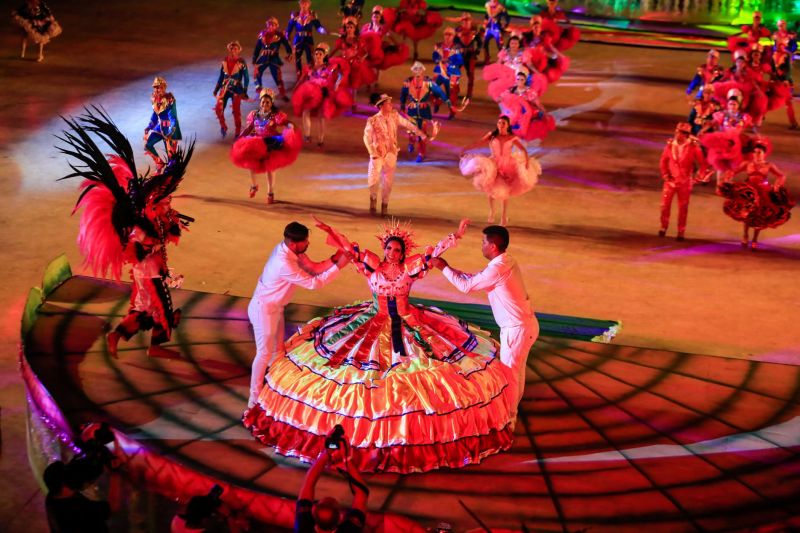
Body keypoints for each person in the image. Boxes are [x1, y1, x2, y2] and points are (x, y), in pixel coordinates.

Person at [243, 218, 517, 473]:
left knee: (417, 369)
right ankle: (259, 395)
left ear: (402, 252)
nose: (393, 254)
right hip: (372, 321)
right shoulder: (373, 263)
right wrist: (331, 234)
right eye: (390, 249)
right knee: (348, 365)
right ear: (384, 249)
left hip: (408, 321)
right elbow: (349, 247)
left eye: (398, 250)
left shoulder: (410, 267)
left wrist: (454, 236)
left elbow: (433, 255)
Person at [58, 108, 195, 360]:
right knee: (162, 306)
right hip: (148, 270)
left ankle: (117, 336)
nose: (170, 201)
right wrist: (154, 248)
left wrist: (168, 227)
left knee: (145, 308)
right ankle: (154, 347)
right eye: (167, 197)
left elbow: (166, 234)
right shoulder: (146, 220)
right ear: (156, 199)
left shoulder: (158, 214)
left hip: (149, 269)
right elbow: (136, 247)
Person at [430, 224, 538, 414]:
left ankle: (509, 416)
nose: (481, 246)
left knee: (510, 375)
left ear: (493, 246)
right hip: (525, 326)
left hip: (516, 329)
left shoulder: (497, 269)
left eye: (484, 242)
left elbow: (466, 286)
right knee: (517, 372)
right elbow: (473, 279)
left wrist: (443, 267)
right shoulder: (505, 261)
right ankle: (513, 411)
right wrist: (448, 268)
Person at [247, 221, 349, 407]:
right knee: (263, 354)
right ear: (294, 243)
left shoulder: (290, 251)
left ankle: (273, 388)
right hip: (264, 310)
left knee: (277, 352)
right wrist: (339, 267)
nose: (308, 244)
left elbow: (314, 268)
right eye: (306, 242)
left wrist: (334, 259)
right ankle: (253, 399)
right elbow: (313, 283)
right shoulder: (284, 263)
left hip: (275, 309)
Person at [459, 115, 541, 226]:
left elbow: (523, 150)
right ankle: (492, 211)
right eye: (499, 123)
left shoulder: (512, 137)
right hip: (493, 164)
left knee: (505, 191)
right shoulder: (492, 136)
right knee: (490, 188)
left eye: (503, 123)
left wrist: (526, 163)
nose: (500, 125)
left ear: (507, 125)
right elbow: (478, 143)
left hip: (508, 165)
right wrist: (465, 148)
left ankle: (503, 216)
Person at [718, 137, 795, 250]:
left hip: (763, 191)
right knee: (747, 214)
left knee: (760, 216)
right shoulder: (747, 164)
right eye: (755, 152)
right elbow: (734, 171)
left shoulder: (769, 165)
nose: (756, 155)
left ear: (764, 153)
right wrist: (727, 178)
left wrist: (777, 185)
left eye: (759, 153)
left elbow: (781, 175)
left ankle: (755, 239)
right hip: (749, 192)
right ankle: (745, 235)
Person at [230, 88, 302, 204]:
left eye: (267, 102)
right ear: (260, 102)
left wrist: (291, 126)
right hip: (257, 143)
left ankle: (270, 192)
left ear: (272, 103)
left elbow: (285, 122)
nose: (265, 104)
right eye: (263, 102)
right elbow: (248, 128)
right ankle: (254, 185)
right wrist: (240, 137)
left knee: (270, 168)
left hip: (271, 143)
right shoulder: (254, 114)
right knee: (251, 164)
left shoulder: (275, 116)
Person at [363, 93, 427, 216]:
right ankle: (373, 199)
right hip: (377, 153)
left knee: (388, 181)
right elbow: (366, 137)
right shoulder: (372, 120)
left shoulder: (395, 116)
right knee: (373, 179)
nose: (391, 105)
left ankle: (385, 205)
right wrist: (372, 151)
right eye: (388, 103)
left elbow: (408, 124)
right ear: (381, 106)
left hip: (391, 153)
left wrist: (421, 134)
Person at [295, 428, 368, 533]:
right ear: (341, 517)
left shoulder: (303, 527)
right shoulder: (303, 527)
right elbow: (362, 493)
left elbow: (308, 483)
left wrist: (327, 453)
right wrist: (347, 458)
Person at [291, 42, 350, 147]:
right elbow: (302, 79)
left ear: (325, 56)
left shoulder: (329, 68)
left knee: (321, 116)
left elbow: (341, 74)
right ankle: (307, 135)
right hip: (310, 94)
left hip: (323, 93)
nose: (318, 56)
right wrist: (296, 89)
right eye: (316, 54)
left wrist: (337, 84)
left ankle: (320, 139)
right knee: (305, 112)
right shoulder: (309, 67)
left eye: (320, 54)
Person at [658, 122, 709, 241]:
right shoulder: (670, 145)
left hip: (685, 183)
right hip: (670, 181)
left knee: (683, 207)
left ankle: (681, 231)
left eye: (680, 132)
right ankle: (663, 226)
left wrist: (697, 178)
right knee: (664, 205)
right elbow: (663, 161)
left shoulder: (693, 148)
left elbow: (703, 164)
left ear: (686, 135)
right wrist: (665, 175)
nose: (677, 134)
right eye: (677, 131)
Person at [399, 61, 451, 163]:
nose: (418, 72)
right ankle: (411, 142)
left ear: (423, 71)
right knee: (412, 132)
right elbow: (403, 94)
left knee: (422, 134)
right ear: (413, 71)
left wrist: (446, 100)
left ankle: (421, 153)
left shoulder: (429, 83)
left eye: (420, 70)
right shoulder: (408, 83)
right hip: (412, 111)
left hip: (423, 112)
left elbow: (439, 92)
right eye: (416, 70)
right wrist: (402, 105)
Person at [44, 460, 111, 533]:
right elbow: (112, 507)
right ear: (64, 487)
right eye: (67, 477)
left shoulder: (51, 498)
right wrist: (115, 473)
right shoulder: (78, 509)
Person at [213, 41, 250, 139]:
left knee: (236, 111)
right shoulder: (225, 61)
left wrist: (245, 91)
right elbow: (221, 76)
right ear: (229, 50)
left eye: (236, 49)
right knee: (218, 108)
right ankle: (223, 127)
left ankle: (238, 131)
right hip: (224, 89)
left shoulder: (241, 62)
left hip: (236, 90)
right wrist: (216, 89)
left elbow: (246, 77)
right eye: (232, 49)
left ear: (239, 50)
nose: (234, 51)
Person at [144, 76, 182, 170]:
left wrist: (171, 130)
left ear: (164, 87)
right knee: (148, 145)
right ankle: (159, 163)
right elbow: (154, 115)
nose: (157, 89)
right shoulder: (154, 99)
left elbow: (172, 117)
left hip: (169, 129)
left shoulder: (170, 99)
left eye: (159, 87)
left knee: (171, 156)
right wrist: (149, 126)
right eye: (155, 87)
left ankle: (171, 173)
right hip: (159, 128)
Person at [252, 17, 292, 99]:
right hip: (263, 57)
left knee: (277, 76)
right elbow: (257, 48)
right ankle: (259, 91)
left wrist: (289, 53)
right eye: (269, 25)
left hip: (274, 58)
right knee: (257, 73)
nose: (271, 27)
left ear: (276, 26)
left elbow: (286, 45)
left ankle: (282, 93)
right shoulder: (262, 35)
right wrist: (254, 59)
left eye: (273, 25)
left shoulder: (280, 36)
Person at [286, 0, 327, 76]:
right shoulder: (295, 15)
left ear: (309, 4)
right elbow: (290, 27)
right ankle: (299, 73)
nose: (304, 5)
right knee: (297, 57)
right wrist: (287, 34)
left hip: (308, 39)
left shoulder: (312, 15)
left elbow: (318, 26)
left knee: (310, 56)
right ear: (299, 4)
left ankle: (310, 73)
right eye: (302, 3)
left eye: (306, 3)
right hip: (298, 39)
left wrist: (322, 30)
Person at [482, 0, 510, 64]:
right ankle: (487, 58)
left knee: (500, 44)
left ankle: (502, 59)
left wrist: (505, 25)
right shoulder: (488, 5)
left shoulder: (500, 7)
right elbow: (487, 15)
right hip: (489, 28)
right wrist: (485, 21)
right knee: (485, 43)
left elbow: (507, 16)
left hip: (496, 28)